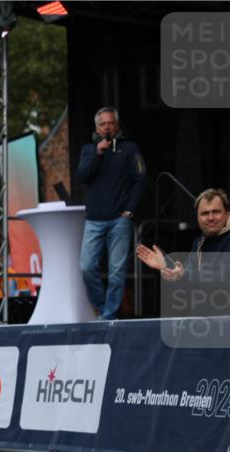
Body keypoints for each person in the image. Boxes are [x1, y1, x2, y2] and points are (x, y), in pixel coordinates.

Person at [75, 106, 147, 320]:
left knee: (117, 272)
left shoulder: (130, 148)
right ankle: (103, 308)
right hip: (94, 219)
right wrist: (98, 153)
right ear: (97, 127)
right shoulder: (89, 150)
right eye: (103, 123)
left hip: (119, 220)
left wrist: (130, 210)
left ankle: (109, 317)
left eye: (111, 123)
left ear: (117, 125)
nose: (107, 126)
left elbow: (141, 180)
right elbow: (81, 177)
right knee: (86, 267)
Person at [136, 187, 230, 293]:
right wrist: (166, 265)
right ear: (198, 218)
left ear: (226, 215)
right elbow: (185, 277)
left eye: (216, 212)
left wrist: (183, 274)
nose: (211, 218)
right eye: (205, 213)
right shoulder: (198, 243)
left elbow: (223, 278)